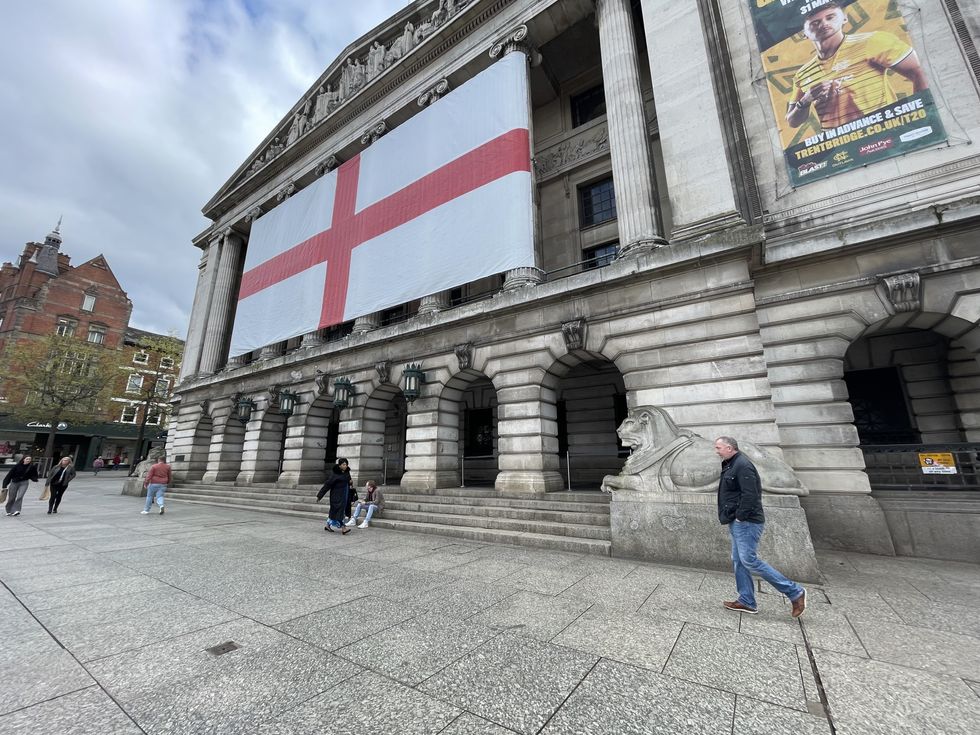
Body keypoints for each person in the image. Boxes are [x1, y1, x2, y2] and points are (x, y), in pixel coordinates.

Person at [786, 1, 928, 130]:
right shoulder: (802, 74)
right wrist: (806, 100)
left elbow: (919, 72)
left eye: (830, 17)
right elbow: (792, 122)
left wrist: (924, 115)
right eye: (815, 23)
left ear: (845, 19)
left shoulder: (872, 41)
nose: (824, 24)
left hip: (884, 133)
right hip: (841, 147)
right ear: (804, 34)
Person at [715, 436, 806, 618]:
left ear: (729, 448)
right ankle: (747, 601)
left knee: (748, 560)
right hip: (737, 520)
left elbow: (751, 494)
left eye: (718, 448)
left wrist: (741, 516)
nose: (716, 451)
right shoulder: (731, 463)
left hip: (747, 522)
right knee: (739, 560)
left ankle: (795, 592)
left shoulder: (743, 465)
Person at [321, 459, 352, 534]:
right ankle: (343, 528)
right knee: (340, 511)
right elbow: (327, 484)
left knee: (337, 511)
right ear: (340, 465)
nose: (345, 466)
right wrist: (320, 495)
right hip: (336, 496)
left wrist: (350, 482)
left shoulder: (347, 472)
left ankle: (328, 525)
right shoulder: (335, 474)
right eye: (344, 464)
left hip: (345, 494)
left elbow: (349, 481)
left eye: (346, 464)